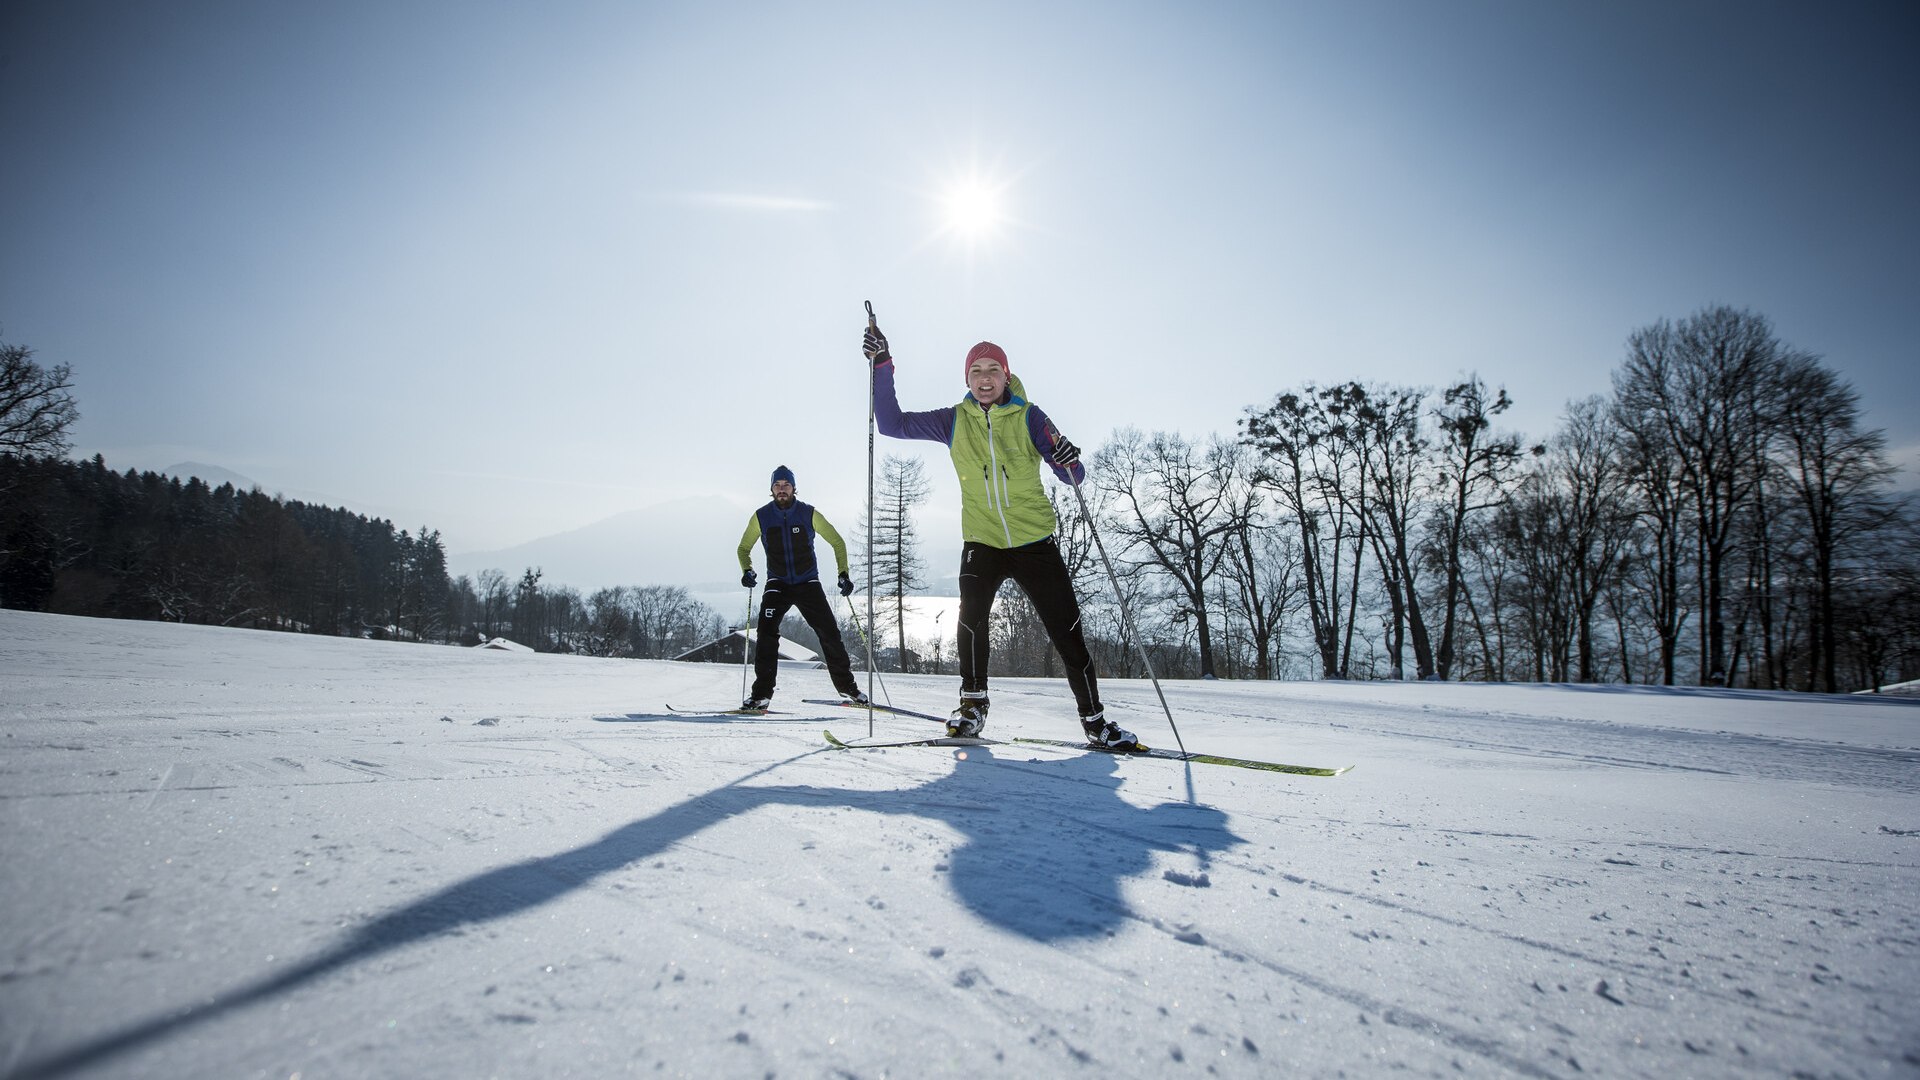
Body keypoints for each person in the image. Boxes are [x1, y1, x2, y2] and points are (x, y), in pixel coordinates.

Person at [863, 320, 1138, 749]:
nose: (985, 378)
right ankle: (972, 708)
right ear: (966, 379)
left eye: (994, 369)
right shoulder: (953, 421)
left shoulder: (1031, 416)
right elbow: (891, 424)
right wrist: (882, 364)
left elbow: (1074, 475)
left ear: (1006, 376)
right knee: (970, 622)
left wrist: (1068, 457)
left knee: (1067, 632)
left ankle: (1094, 721)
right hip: (982, 542)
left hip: (1035, 543)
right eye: (977, 371)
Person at [736, 465, 869, 712]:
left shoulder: (809, 513)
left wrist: (843, 573)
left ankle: (848, 688)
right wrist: (747, 570)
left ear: (794, 488)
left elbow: (837, 542)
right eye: (777, 485)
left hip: (808, 583)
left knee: (829, 633)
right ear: (771, 490)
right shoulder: (761, 516)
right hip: (777, 583)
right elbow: (743, 548)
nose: (782, 489)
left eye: (786, 485)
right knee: (766, 635)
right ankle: (761, 695)